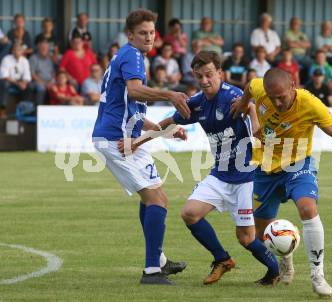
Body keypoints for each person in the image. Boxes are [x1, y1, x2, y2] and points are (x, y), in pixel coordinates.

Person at [129, 50, 281, 286]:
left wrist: (251, 115)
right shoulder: (198, 103)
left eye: (209, 74)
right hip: (219, 176)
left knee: (246, 238)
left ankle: (274, 270)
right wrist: (137, 141)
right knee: (189, 213)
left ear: (220, 73)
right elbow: (168, 121)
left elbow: (253, 117)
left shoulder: (233, 96)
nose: (204, 81)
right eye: (199, 76)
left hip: (246, 178)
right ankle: (222, 259)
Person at [230, 67, 332, 297]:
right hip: (264, 169)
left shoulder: (310, 103)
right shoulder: (260, 88)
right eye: (272, 97)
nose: (277, 102)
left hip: (298, 164)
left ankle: (318, 276)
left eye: (282, 96)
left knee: (308, 208)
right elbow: (249, 87)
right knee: (262, 233)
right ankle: (286, 256)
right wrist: (243, 105)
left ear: (293, 85)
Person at [91, 9, 190, 285]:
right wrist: (169, 93)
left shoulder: (126, 56)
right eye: (143, 33)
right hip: (117, 140)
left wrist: (167, 129)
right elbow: (135, 91)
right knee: (157, 200)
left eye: (151, 32)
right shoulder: (132, 56)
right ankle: (151, 271)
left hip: (123, 137)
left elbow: (131, 107)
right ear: (130, 35)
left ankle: (157, 260)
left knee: (156, 198)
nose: (149, 37)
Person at [0, 42, 32, 117]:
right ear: (12, 51)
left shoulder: (25, 61)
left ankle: (25, 110)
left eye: (19, 50)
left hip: (19, 82)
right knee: (4, 84)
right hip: (9, 81)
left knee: (29, 86)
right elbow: (4, 76)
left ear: (22, 51)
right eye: (16, 50)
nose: (17, 52)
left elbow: (27, 76)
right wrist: (18, 83)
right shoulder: (6, 59)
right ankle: (2, 109)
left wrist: (24, 83)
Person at [29, 38, 55, 105]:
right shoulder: (33, 58)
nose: (44, 49)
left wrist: (51, 81)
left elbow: (53, 73)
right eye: (42, 48)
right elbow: (32, 74)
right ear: (38, 48)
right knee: (41, 88)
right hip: (37, 82)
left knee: (58, 87)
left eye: (46, 48)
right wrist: (44, 83)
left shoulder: (49, 59)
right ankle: (38, 109)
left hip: (49, 82)